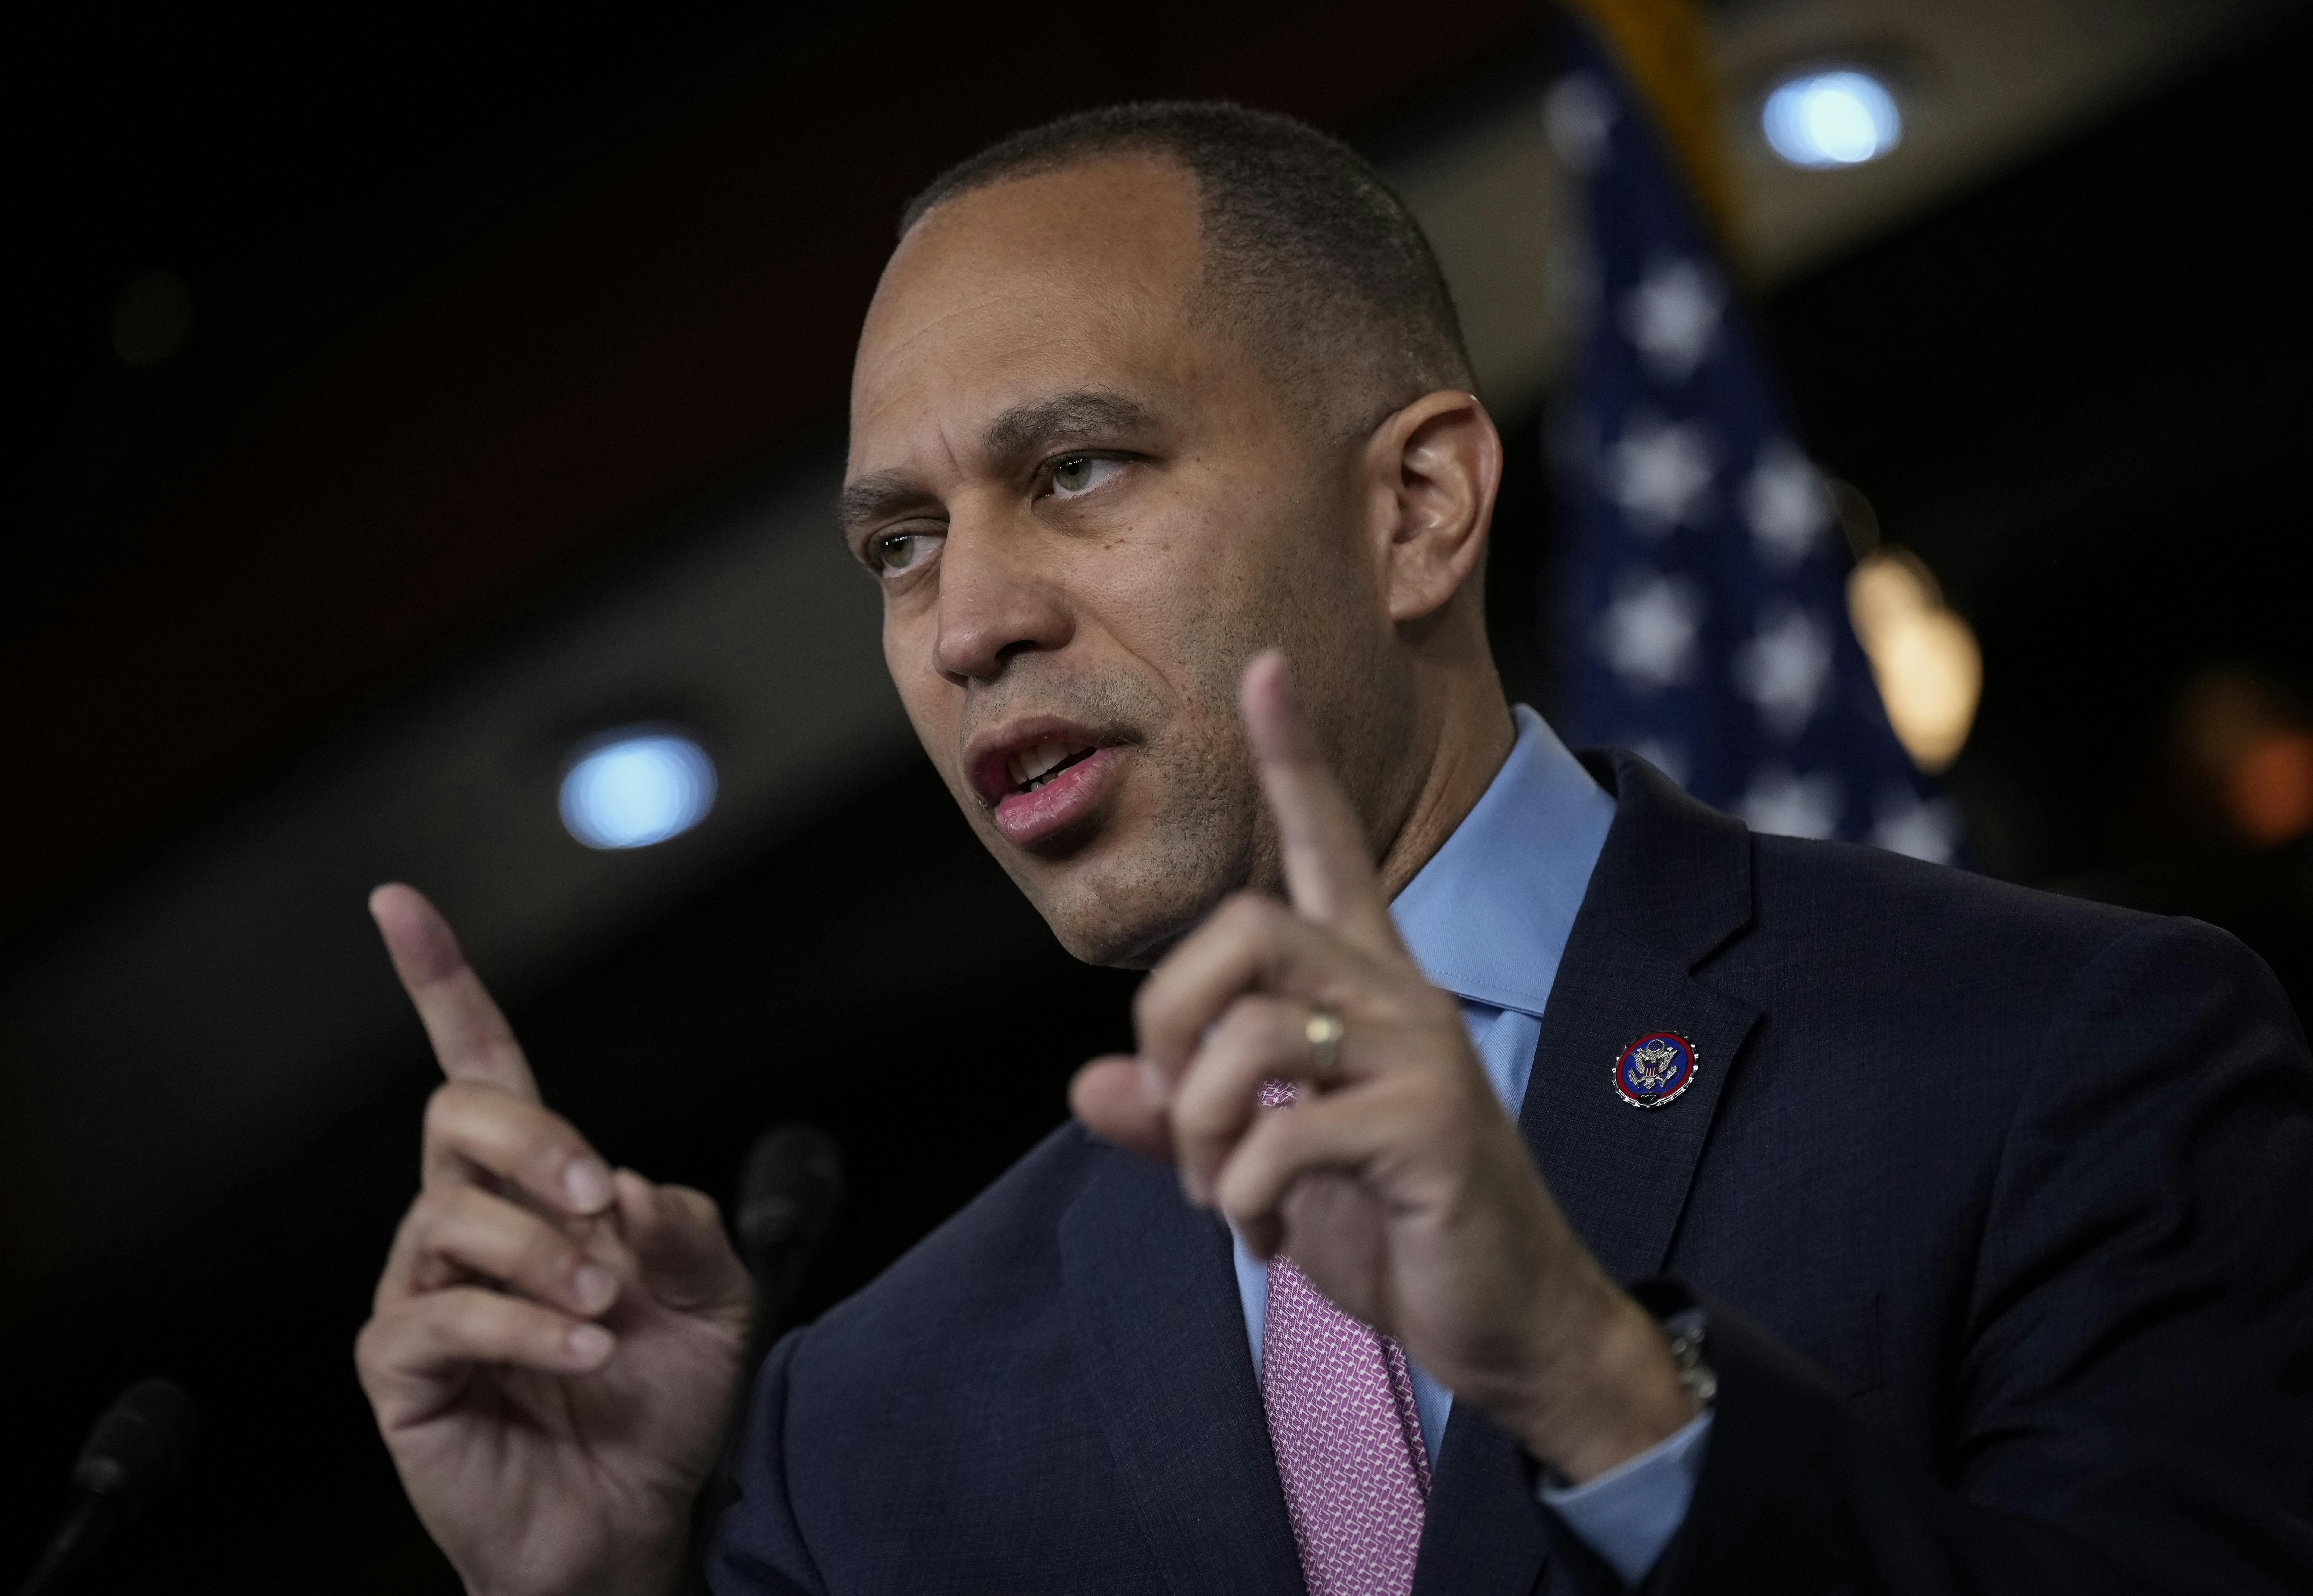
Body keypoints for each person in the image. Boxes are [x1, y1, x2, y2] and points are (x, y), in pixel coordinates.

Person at [352, 103, 2313, 1595]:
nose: (966, 626)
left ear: (1419, 507)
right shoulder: (863, 1422)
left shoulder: (2060, 1056)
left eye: (1075, 470)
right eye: (901, 544)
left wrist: (1596, 1384)